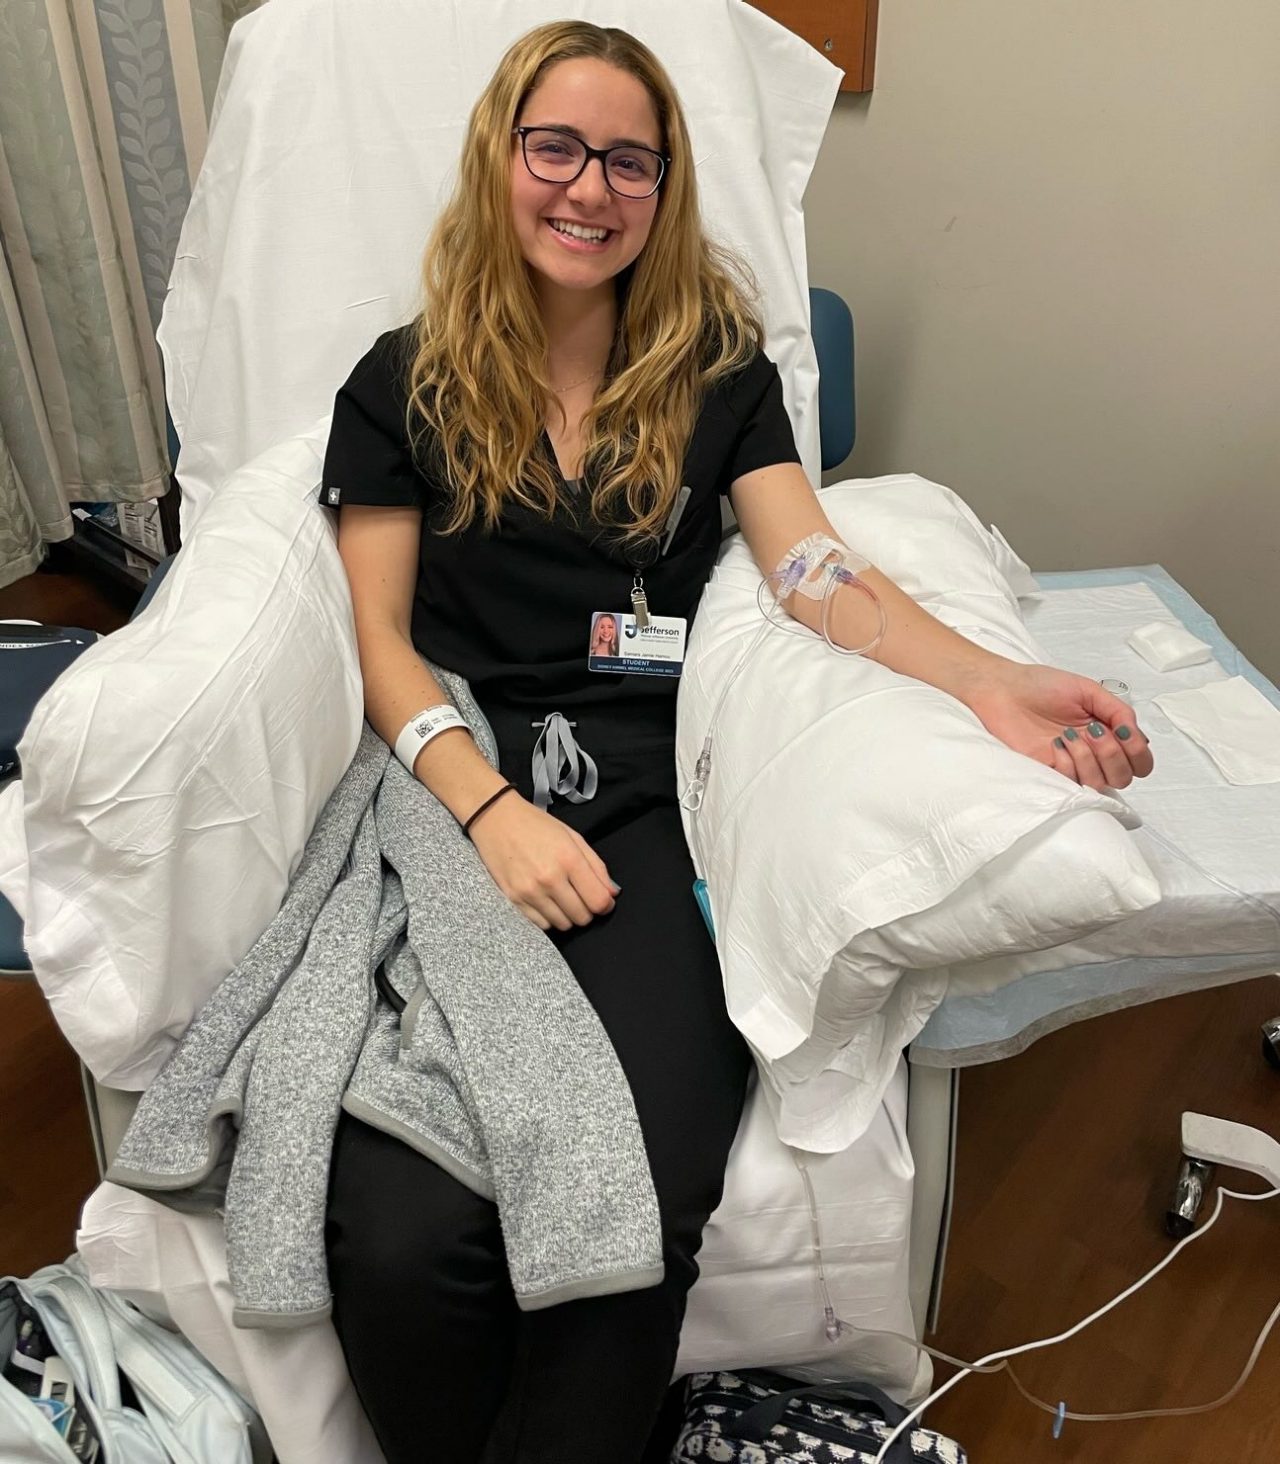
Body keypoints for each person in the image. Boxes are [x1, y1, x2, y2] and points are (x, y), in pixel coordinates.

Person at [320, 20, 1154, 1463]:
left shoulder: (711, 368)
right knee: (403, 1236)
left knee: (642, 1195)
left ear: (665, 185)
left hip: (645, 800)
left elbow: (810, 571)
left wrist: (991, 680)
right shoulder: (401, 384)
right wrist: (486, 812)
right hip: (456, 779)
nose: (591, 188)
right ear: (501, 159)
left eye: (628, 161)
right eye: (558, 148)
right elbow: (382, 644)